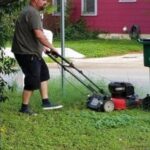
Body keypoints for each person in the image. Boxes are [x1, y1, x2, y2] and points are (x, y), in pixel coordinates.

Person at [11, 0, 63, 115]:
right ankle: (24, 108)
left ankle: (46, 102)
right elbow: (39, 34)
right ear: (35, 0)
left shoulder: (29, 11)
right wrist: (52, 47)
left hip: (30, 51)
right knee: (32, 78)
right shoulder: (32, 13)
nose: (46, 2)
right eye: (43, 0)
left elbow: (27, 33)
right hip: (26, 52)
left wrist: (43, 47)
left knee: (43, 74)